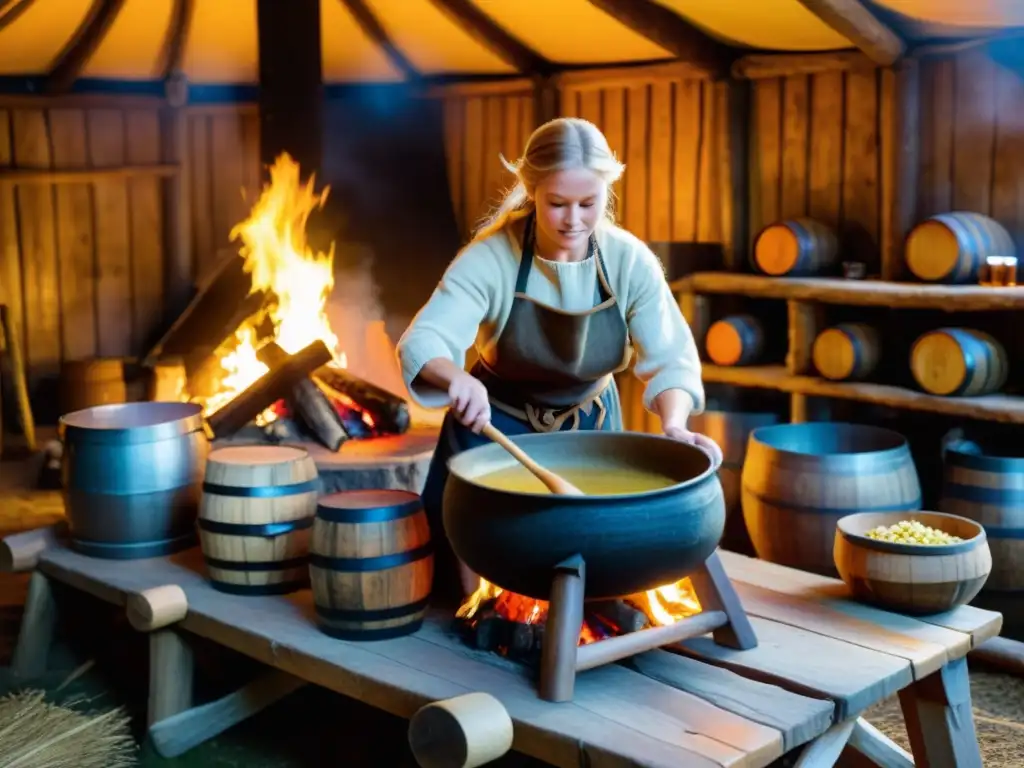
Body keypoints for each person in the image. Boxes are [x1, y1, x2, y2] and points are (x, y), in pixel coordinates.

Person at [396, 117, 722, 600]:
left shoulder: (628, 260)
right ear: (533, 192)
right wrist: (455, 380)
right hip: (494, 427)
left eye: (588, 204)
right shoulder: (493, 257)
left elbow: (670, 357)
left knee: (597, 565)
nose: (573, 220)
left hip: (592, 427)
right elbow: (424, 340)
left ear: (605, 194)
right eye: (557, 204)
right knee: (470, 583)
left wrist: (674, 423)